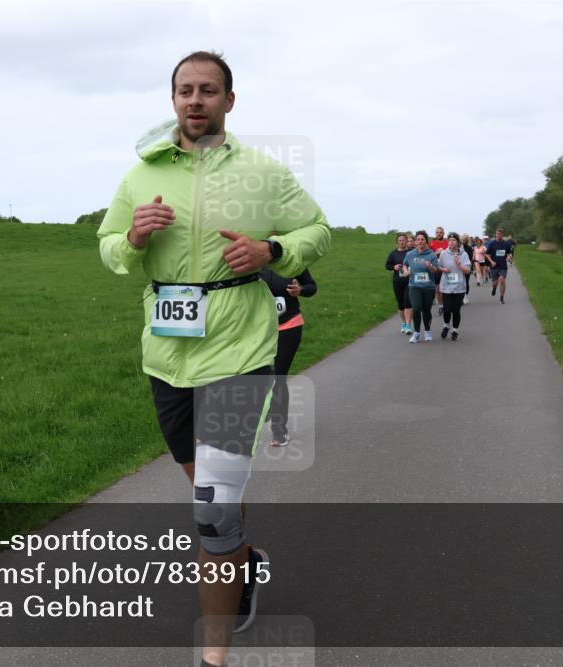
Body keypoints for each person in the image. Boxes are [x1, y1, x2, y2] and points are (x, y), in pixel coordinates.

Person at [96, 51, 331, 667]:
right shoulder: (141, 173)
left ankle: (214, 654)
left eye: (208, 90)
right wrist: (134, 238)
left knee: (212, 510)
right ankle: (244, 563)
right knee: (201, 482)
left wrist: (272, 247)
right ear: (173, 99)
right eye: (184, 90)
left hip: (239, 349)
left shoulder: (262, 171)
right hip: (166, 355)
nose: (195, 100)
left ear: (230, 100)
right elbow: (109, 248)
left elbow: (318, 231)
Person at [260, 267, 317, 447]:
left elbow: (312, 286)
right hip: (258, 329)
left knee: (278, 376)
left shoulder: (292, 261)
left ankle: (279, 431)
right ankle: (267, 406)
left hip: (288, 326)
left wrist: (300, 290)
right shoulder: (250, 261)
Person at [403, 230, 440, 343]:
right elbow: (405, 264)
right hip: (414, 286)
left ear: (426, 241)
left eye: (422, 239)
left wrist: (430, 267)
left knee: (426, 310)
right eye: (418, 239)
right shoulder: (410, 254)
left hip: (428, 287)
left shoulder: (431, 254)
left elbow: (436, 271)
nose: (420, 241)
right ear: (415, 241)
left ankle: (428, 331)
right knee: (416, 308)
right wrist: (405, 271)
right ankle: (417, 333)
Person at [438, 232, 472, 340]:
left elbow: (467, 271)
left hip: (459, 287)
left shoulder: (464, 254)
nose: (451, 242)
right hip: (446, 286)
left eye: (454, 241)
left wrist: (459, 265)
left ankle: (455, 330)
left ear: (458, 242)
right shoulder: (443, 254)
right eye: (450, 241)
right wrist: (443, 269)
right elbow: (438, 266)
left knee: (456, 310)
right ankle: (446, 325)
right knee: (447, 309)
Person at [385, 233, 413, 335]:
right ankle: (404, 323)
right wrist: (394, 267)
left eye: (403, 240)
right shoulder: (393, 254)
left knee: (408, 302)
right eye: (400, 240)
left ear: (406, 241)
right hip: (397, 281)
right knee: (401, 304)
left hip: (409, 281)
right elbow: (387, 265)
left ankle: (408, 326)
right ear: (397, 242)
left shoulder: (411, 252)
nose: (402, 242)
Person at [486, 227, 514, 304]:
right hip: (494, 266)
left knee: (502, 280)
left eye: (500, 234)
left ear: (502, 235)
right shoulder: (491, 243)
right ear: (495, 234)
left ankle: (501, 297)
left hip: (503, 266)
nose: (498, 235)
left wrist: (508, 257)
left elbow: (509, 253)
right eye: (497, 234)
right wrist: (491, 262)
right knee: (495, 282)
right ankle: (494, 288)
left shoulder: (506, 244)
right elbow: (487, 254)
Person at [429, 227, 448, 313]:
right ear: (435, 234)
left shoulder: (447, 243)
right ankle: (441, 306)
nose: (439, 234)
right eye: (437, 232)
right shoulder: (432, 243)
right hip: (436, 268)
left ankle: (447, 304)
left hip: (446, 267)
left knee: (446, 287)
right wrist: (435, 253)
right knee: (437, 288)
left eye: (440, 232)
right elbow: (428, 254)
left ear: (443, 233)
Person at [460, 234, 474, 304]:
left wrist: (470, 267)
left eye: (464, 240)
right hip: (459, 267)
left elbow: (471, 258)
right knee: (460, 281)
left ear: (466, 241)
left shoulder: (469, 248)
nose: (463, 241)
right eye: (462, 240)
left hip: (467, 266)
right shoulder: (458, 248)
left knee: (466, 282)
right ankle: (460, 296)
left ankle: (466, 295)